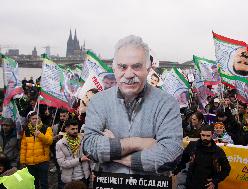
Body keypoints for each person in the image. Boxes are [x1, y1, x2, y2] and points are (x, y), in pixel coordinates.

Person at [83, 35, 183, 174]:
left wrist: (114, 150)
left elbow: (171, 155)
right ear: (114, 68)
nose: (129, 74)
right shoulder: (98, 101)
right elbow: (89, 147)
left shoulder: (167, 103)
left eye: (136, 66)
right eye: (122, 67)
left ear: (148, 69)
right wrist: (138, 143)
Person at [175, 125, 231, 189]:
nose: (205, 138)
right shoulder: (192, 146)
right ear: (200, 134)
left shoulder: (218, 151)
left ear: (212, 135)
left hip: (207, 186)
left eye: (208, 136)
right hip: (191, 184)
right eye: (203, 135)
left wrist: (215, 180)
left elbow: (227, 169)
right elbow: (183, 161)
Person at [20, 111, 53, 189]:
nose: (35, 120)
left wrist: (40, 135)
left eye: (37, 118)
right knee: (34, 183)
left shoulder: (46, 128)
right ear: (30, 120)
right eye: (33, 119)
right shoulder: (27, 130)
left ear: (40, 119)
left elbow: (49, 141)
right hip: (30, 162)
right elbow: (23, 146)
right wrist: (22, 161)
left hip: (43, 161)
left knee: (44, 182)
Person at [56, 119, 91, 189]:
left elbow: (90, 157)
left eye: (76, 128)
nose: (75, 131)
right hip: (69, 180)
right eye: (72, 129)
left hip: (83, 177)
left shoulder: (83, 140)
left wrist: (92, 171)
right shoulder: (60, 144)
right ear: (66, 129)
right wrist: (80, 160)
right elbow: (62, 163)